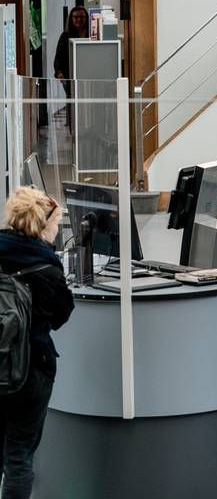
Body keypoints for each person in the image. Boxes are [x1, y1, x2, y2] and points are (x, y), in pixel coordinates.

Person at [0, 186, 74, 499]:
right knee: (19, 455)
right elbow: (61, 315)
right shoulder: (47, 268)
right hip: (31, 370)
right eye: (55, 223)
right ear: (42, 226)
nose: (57, 230)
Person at [53, 6, 89, 130]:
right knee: (72, 100)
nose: (78, 20)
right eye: (75, 17)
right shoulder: (65, 36)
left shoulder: (92, 34)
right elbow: (58, 57)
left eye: (81, 17)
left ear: (86, 18)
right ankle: (73, 127)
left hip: (87, 75)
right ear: (71, 19)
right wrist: (59, 73)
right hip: (69, 76)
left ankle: (86, 126)